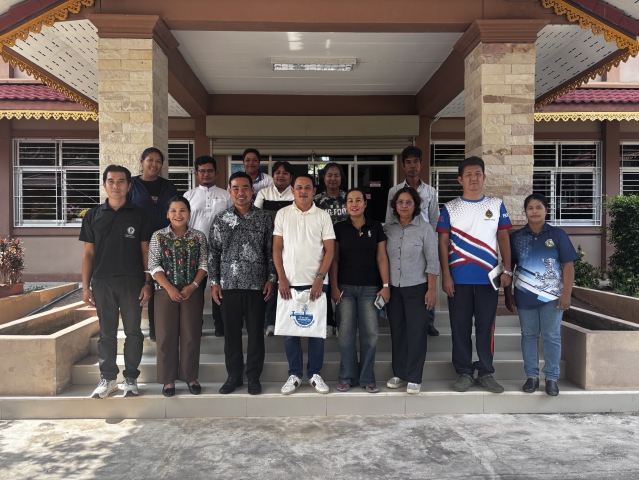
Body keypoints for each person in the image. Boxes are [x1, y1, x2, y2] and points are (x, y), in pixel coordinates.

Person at [437, 156, 513, 394]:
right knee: (459, 327)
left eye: (478, 174)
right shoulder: (450, 207)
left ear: (484, 177)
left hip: (488, 279)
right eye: (468, 174)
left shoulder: (496, 205)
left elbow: (503, 238)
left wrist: (507, 269)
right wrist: (446, 275)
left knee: (485, 327)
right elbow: (443, 243)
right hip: (458, 279)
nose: (473, 178)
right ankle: (464, 372)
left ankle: (485, 372)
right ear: (460, 179)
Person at [80, 165, 154, 399]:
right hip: (102, 282)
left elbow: (146, 250)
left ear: (129, 186)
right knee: (106, 333)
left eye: (121, 181)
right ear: (104, 185)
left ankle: (131, 378)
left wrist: (148, 281)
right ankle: (108, 378)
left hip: (133, 281)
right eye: (111, 181)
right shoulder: (93, 215)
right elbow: (88, 254)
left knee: (133, 332)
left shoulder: (140, 214)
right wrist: (85, 286)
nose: (116, 185)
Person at [209, 172, 277, 395]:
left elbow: (271, 251)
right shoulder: (221, 219)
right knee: (231, 334)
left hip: (257, 285)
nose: (241, 192)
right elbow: (213, 252)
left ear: (252, 190)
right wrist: (214, 282)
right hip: (228, 286)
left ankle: (254, 376)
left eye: (245, 187)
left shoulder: (264, 219)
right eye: (236, 188)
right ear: (230, 191)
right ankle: (234, 376)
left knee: (256, 333)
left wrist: (271, 278)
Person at [505, 193, 579, 397]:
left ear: (546, 210)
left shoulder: (558, 235)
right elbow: (508, 268)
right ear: (525, 212)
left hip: (552, 297)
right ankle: (532, 377)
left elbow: (568, 265)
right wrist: (508, 294)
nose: (534, 211)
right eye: (530, 208)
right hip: (524, 295)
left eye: (539, 207)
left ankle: (551, 378)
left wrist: (566, 293)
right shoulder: (516, 238)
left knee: (551, 336)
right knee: (528, 336)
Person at [274, 174, 335, 395]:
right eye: (298, 187)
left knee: (316, 331)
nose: (303, 191)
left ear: (314, 190)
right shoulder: (282, 214)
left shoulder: (323, 216)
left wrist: (319, 278)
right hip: (289, 282)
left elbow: (330, 250)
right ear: (292, 190)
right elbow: (276, 248)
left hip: (317, 283)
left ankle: (315, 374)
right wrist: (281, 277)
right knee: (291, 332)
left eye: (307, 187)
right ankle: (295, 375)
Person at [330, 187, 390, 393]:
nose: (354, 204)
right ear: (346, 205)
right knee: (345, 334)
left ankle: (367, 377)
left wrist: (386, 286)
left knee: (370, 334)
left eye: (358, 200)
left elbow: (382, 257)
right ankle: (346, 376)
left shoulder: (376, 227)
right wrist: (334, 286)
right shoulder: (339, 228)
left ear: (365, 203)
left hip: (371, 289)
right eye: (350, 201)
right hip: (345, 289)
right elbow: (334, 259)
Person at [148, 196, 208, 397]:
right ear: (167, 214)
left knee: (191, 334)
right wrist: (169, 288)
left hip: (192, 290)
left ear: (189, 213)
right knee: (166, 335)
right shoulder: (158, 236)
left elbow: (204, 264)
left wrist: (193, 286)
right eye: (173, 210)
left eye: (182, 210)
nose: (178, 214)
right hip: (164, 291)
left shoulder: (199, 236)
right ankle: (168, 379)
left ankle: (190, 377)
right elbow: (153, 265)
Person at [384, 187, 439, 394]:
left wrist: (431, 289)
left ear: (415, 205)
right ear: (395, 205)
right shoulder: (388, 229)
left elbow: (433, 261)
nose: (404, 206)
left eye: (408, 202)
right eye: (400, 202)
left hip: (417, 288)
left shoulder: (425, 229)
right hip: (394, 289)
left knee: (416, 333)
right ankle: (400, 373)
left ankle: (415, 377)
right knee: (397, 331)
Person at [386, 145, 440, 337]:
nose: (412, 166)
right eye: (408, 162)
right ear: (403, 166)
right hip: (401, 240)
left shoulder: (431, 192)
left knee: (425, 282)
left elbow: (434, 220)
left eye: (415, 162)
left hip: (424, 242)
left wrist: (430, 243)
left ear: (421, 164)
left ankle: (429, 321)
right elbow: (390, 219)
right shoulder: (395, 191)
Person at [128, 147, 178, 342]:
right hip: (135, 243)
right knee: (139, 284)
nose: (154, 164)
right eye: (150, 160)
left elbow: (175, 211)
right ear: (142, 161)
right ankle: (133, 331)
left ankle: (157, 330)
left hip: (165, 244)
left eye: (158, 161)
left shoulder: (168, 186)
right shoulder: (132, 184)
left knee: (160, 286)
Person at [184, 155, 232, 338]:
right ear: (196, 173)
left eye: (210, 171)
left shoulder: (226, 195)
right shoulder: (188, 196)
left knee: (220, 288)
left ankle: (221, 325)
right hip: (195, 249)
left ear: (216, 173)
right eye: (202, 171)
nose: (206, 174)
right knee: (195, 289)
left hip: (222, 250)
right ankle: (196, 325)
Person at [254, 161, 295, 337]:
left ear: (291, 177)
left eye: (285, 173)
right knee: (271, 283)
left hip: (292, 247)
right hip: (268, 247)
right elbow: (256, 218)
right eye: (277, 172)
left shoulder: (295, 194)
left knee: (289, 284)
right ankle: (271, 322)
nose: (281, 176)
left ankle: (289, 321)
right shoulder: (264, 193)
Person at [313, 162, 347, 336]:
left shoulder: (348, 198)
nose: (333, 179)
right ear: (323, 178)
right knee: (325, 285)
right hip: (322, 250)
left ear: (341, 178)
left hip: (346, 249)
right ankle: (327, 321)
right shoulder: (316, 200)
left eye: (336, 175)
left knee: (342, 284)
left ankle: (342, 321)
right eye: (329, 175)